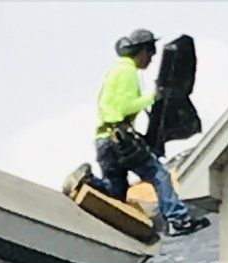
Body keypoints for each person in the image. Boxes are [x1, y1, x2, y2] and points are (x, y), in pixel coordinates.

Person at [67, 30, 209, 237]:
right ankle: (179, 220)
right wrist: (153, 97)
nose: (151, 58)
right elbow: (124, 107)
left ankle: (86, 181)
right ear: (141, 51)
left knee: (116, 192)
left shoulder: (115, 71)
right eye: (150, 52)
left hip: (104, 140)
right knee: (159, 175)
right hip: (119, 139)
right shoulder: (128, 72)